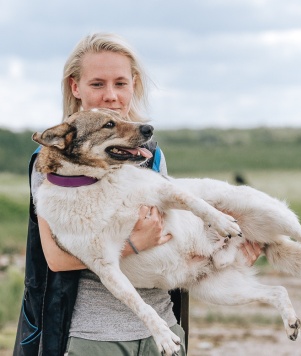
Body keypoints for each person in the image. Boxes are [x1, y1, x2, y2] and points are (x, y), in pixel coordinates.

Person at [13, 32, 261, 356]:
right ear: (76, 87)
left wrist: (230, 254)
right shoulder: (55, 164)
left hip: (164, 328)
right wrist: (133, 245)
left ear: (134, 84)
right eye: (97, 84)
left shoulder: (150, 153)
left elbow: (177, 237)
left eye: (120, 83)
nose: (111, 96)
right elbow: (57, 260)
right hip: (95, 335)